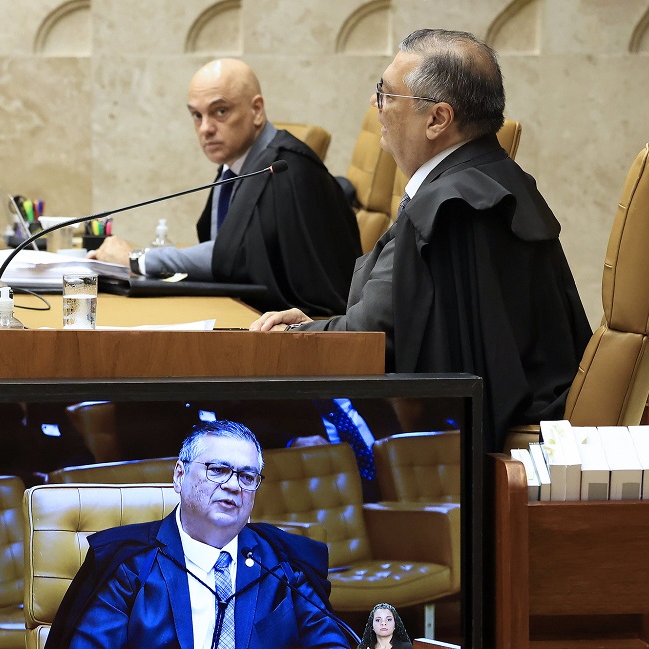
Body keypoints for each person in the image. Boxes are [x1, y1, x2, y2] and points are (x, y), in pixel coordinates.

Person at [250, 29, 591, 453]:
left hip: (486, 456)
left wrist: (299, 334)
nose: (375, 103)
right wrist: (318, 327)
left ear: (437, 119)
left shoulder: (447, 209)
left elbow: (370, 341)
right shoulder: (500, 179)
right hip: (536, 420)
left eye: (386, 94)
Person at [89, 58, 362, 317]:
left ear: (257, 110)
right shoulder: (235, 166)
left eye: (220, 111)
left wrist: (138, 259)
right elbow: (227, 249)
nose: (206, 128)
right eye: (197, 116)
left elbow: (233, 255)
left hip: (313, 330)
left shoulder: (285, 169)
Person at [46, 420, 355, 649]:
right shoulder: (130, 564)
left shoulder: (283, 563)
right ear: (179, 476)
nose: (233, 485)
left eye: (247, 476)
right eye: (217, 470)